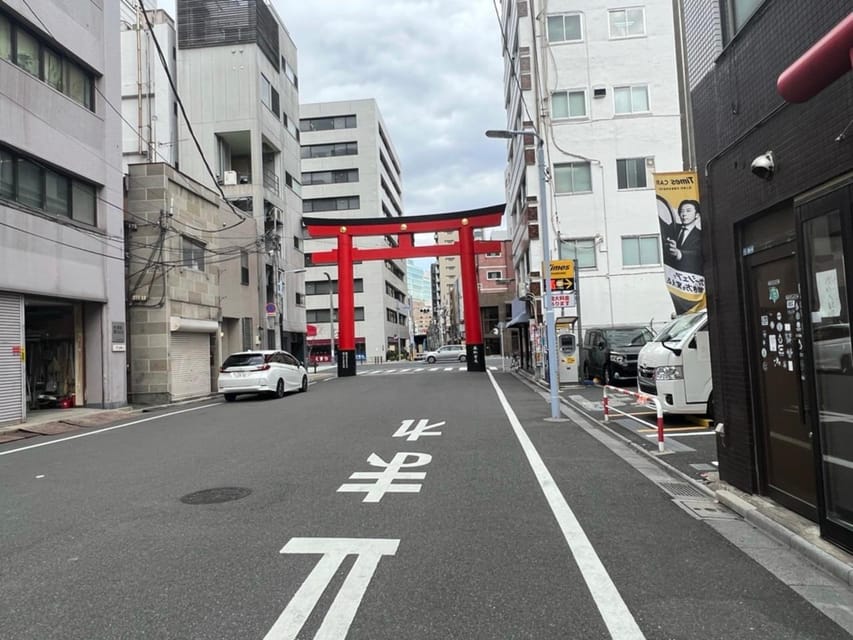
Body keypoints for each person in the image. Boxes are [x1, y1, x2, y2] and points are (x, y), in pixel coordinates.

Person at [663, 198, 702, 275]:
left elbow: (698, 254)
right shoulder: (673, 227)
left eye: (688, 211)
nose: (684, 214)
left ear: (697, 215)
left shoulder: (700, 234)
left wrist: (679, 253)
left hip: (689, 276)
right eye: (681, 211)